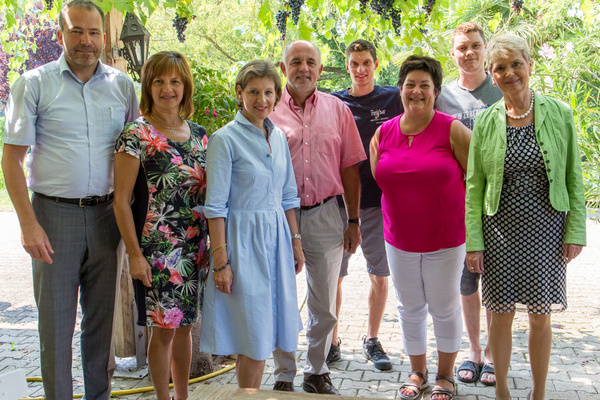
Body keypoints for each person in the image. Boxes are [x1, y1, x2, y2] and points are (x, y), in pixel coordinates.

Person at [1, 1, 138, 399]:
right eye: (76, 31)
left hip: (107, 218)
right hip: (52, 216)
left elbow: (132, 155)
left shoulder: (122, 86)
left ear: (104, 38)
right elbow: (11, 159)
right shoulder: (33, 83)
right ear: (61, 35)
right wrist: (28, 223)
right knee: (57, 326)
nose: (86, 41)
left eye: (94, 32)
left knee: (100, 326)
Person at [465, 34, 586, 400]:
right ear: (492, 75)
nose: (510, 73)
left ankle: (538, 394)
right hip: (498, 231)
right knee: (500, 314)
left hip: (547, 230)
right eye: (500, 67)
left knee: (540, 314)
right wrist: (475, 242)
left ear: (529, 66)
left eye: (516, 64)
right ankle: (502, 391)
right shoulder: (486, 120)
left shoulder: (559, 112)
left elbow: (572, 176)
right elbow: (474, 185)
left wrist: (575, 230)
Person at [199, 60, 304, 389]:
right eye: (254, 92)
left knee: (268, 334)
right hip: (243, 245)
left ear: (277, 96)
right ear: (239, 93)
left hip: (277, 244)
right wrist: (221, 263)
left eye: (269, 92)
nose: (262, 99)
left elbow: (288, 196)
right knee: (253, 340)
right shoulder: (224, 140)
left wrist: (296, 243)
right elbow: (215, 207)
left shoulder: (279, 139)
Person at [370, 55, 471, 400]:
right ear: (400, 90)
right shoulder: (383, 132)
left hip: (446, 240)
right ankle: (418, 372)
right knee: (408, 307)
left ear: (436, 91)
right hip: (398, 240)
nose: (416, 91)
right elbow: (380, 177)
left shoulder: (453, 129)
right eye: (410, 84)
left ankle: (445, 376)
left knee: (444, 308)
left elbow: (478, 182)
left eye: (424, 85)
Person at [269, 40, 366, 395]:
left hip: (326, 214)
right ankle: (283, 372)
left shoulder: (338, 110)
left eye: (311, 62)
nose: (303, 68)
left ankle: (317, 369)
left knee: (324, 301)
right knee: (280, 296)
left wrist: (353, 221)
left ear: (321, 69)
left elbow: (351, 167)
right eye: (296, 62)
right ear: (283, 69)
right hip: (279, 219)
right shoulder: (267, 109)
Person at [113, 51, 209, 400]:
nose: (168, 89)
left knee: (185, 328)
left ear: (185, 87)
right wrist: (135, 256)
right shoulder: (136, 134)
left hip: (194, 248)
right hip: (156, 250)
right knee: (163, 331)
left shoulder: (200, 136)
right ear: (148, 86)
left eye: (175, 81)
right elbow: (121, 200)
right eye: (159, 81)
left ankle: (182, 397)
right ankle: (162, 398)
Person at [329, 39, 403, 370]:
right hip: (340, 205)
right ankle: (331, 341)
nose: (360, 69)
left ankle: (372, 339)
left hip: (379, 202)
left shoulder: (393, 98)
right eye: (354, 64)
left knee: (380, 274)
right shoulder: (334, 101)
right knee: (334, 276)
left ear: (376, 64)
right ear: (348, 67)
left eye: (366, 63)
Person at [436, 21, 502, 386]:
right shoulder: (443, 97)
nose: (470, 53)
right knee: (465, 281)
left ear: (485, 48)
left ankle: (493, 353)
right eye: (463, 47)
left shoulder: (502, 88)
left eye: (476, 45)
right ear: (453, 52)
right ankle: (474, 351)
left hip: (498, 204)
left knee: (495, 280)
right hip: (458, 205)